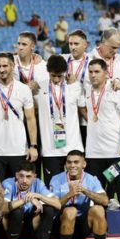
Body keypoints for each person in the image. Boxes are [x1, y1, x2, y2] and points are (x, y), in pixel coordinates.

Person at [83, 59, 120, 237]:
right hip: (93, 155)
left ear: (106, 73)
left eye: (97, 71)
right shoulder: (86, 90)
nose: (93, 75)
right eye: (90, 71)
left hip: (114, 153)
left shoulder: (117, 91)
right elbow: (83, 109)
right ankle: (101, 227)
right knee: (97, 192)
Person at [0, 52, 38, 179]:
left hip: (19, 149)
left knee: (19, 189)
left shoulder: (23, 89)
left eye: (5, 66)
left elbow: (31, 119)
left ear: (13, 66)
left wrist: (33, 146)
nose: (1, 69)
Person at [50, 150, 110, 239]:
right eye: (69, 162)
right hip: (61, 224)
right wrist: (69, 195)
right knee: (70, 210)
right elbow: (52, 205)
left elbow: (105, 200)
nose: (72, 165)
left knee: (99, 209)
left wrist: (84, 190)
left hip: (82, 226)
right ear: (66, 164)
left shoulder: (91, 179)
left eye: (76, 162)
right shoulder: (56, 179)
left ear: (84, 164)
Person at [1, 162, 60, 239]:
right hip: (8, 230)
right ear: (16, 175)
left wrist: (38, 196)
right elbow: (3, 209)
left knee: (48, 209)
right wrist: (25, 200)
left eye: (28, 177)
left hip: (29, 227)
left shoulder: (38, 183)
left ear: (34, 177)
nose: (24, 180)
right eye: (21, 176)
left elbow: (58, 204)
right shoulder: (8, 184)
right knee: (17, 212)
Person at [35, 55, 84, 185]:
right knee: (53, 189)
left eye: (59, 76)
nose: (56, 79)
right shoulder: (38, 88)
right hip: (50, 149)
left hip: (73, 146)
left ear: (65, 72)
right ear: (48, 72)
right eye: (53, 76)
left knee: (77, 189)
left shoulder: (75, 87)